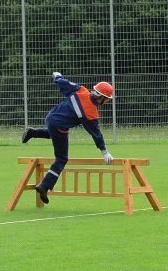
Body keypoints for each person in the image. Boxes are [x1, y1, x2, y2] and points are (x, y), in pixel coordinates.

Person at [21, 72, 114, 204]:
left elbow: (63, 83)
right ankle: (44, 186)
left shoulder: (81, 90)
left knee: (55, 135)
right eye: (107, 100)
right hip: (59, 126)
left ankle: (33, 132)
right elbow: (96, 134)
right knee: (62, 158)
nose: (106, 102)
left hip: (51, 117)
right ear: (102, 97)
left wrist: (57, 76)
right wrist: (104, 152)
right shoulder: (91, 113)